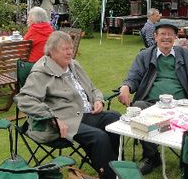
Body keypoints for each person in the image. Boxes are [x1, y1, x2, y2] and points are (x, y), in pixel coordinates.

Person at [15, 31, 120, 179]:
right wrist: (51, 116)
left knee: (115, 119)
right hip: (64, 119)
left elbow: (92, 88)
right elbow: (24, 99)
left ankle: (111, 167)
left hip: (86, 113)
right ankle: (110, 176)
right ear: (52, 51)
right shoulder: (41, 72)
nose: (70, 52)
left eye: (71, 48)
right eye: (65, 49)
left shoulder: (74, 65)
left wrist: (98, 100)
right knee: (99, 137)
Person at [118, 22, 188, 175]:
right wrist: (126, 87)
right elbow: (133, 77)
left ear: (176, 37)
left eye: (170, 34)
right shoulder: (145, 55)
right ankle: (152, 156)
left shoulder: (186, 55)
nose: (166, 37)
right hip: (151, 103)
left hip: (182, 104)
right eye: (162, 34)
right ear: (155, 37)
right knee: (139, 110)